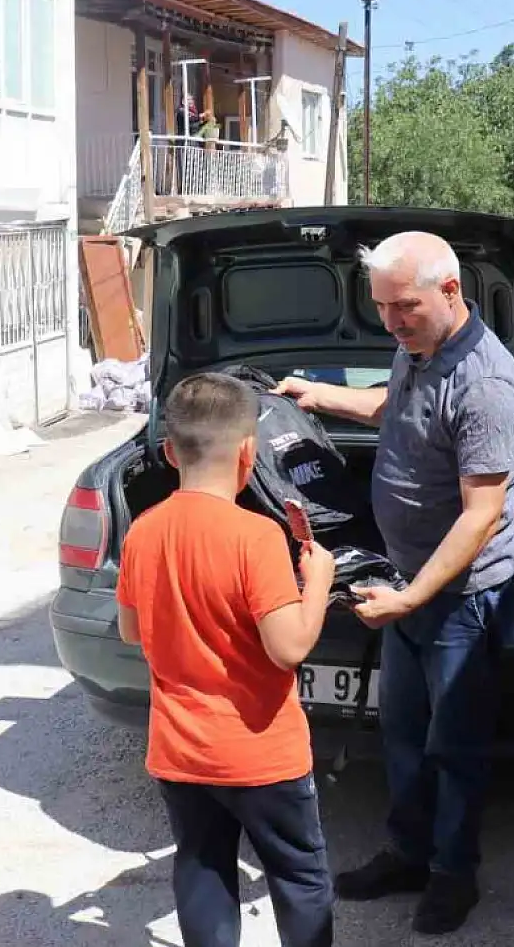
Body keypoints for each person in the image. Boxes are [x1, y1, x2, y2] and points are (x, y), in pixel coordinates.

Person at [273, 231, 514, 935]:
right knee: (405, 736)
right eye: (382, 307)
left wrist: (415, 597)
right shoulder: (419, 348)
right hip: (408, 585)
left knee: (455, 744)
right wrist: (317, 394)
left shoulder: (486, 384)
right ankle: (408, 853)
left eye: (403, 307)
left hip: (460, 601)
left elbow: (480, 515)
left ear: (452, 291)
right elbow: (394, 407)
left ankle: (453, 873)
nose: (390, 321)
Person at [116, 372, 338, 947]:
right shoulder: (258, 537)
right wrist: (317, 581)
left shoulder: (143, 532)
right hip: (263, 754)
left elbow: (131, 630)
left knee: (203, 869)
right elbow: (288, 647)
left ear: (169, 451)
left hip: (182, 752)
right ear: (249, 451)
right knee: (298, 875)